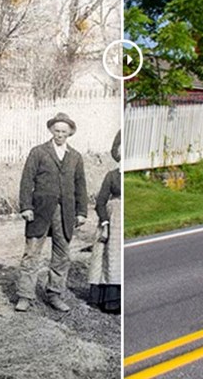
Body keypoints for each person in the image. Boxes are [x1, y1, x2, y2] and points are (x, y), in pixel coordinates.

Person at [15, 112, 88, 312]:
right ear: (51, 130)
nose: (60, 134)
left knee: (62, 255)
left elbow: (80, 185)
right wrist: (26, 207)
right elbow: (26, 180)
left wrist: (81, 212)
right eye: (57, 130)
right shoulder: (38, 152)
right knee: (32, 253)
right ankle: (24, 296)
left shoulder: (75, 157)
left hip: (65, 213)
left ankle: (55, 294)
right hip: (39, 211)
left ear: (70, 133)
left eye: (64, 131)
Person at [88, 129, 121, 313]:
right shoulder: (112, 176)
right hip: (114, 218)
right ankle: (109, 299)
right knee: (108, 256)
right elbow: (100, 202)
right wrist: (105, 222)